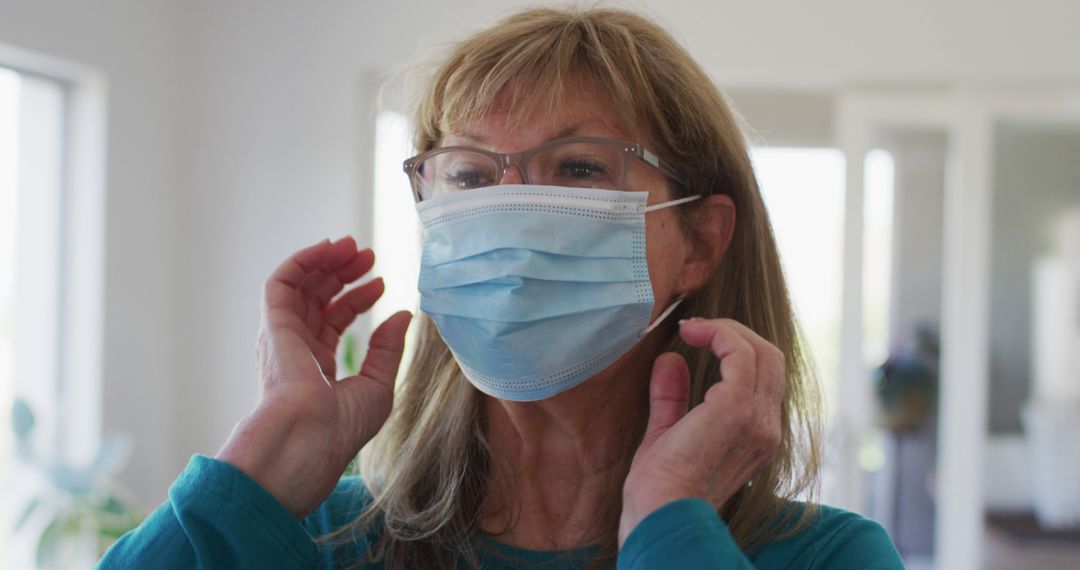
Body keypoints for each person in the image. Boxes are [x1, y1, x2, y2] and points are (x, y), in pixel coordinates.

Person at [100, 7, 903, 569]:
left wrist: (670, 520)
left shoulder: (824, 557)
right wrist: (266, 465)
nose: (511, 213)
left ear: (700, 240)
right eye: (472, 175)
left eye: (579, 167)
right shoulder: (314, 538)